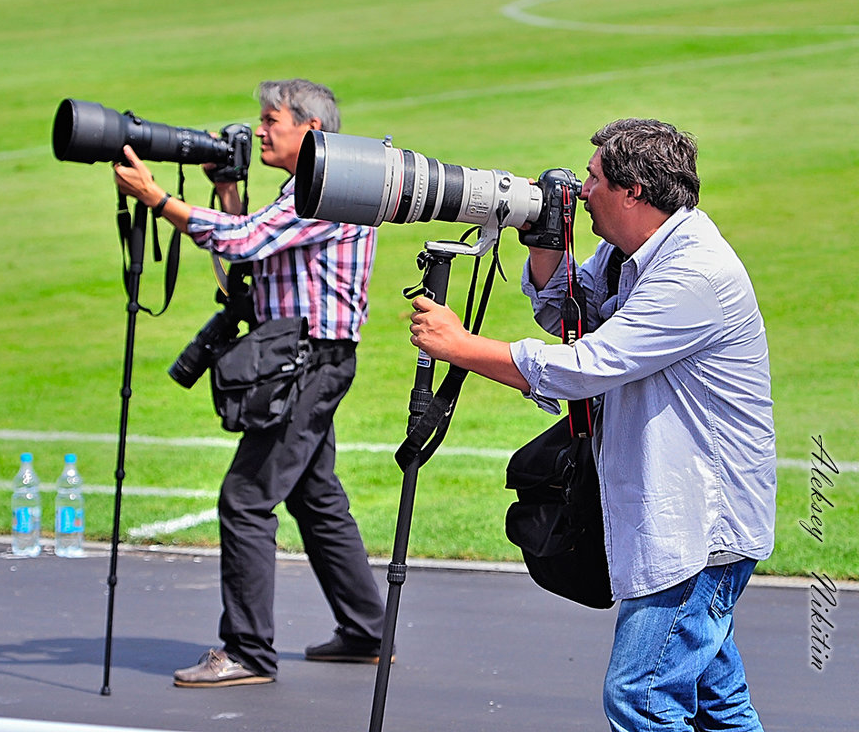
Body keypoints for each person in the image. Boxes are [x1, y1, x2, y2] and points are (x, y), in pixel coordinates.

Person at [409, 119, 776, 731]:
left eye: (594, 178)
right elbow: (576, 323)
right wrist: (546, 247)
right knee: (719, 704)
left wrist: (461, 346)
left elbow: (587, 366)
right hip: (680, 515)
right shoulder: (633, 252)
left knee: (641, 698)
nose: (581, 190)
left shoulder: (695, 274)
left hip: (699, 529)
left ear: (632, 191)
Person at [113, 78, 386, 688]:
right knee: (315, 497)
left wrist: (159, 199)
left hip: (307, 363)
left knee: (245, 497)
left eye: (271, 120)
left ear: (310, 129)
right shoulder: (321, 184)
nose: (260, 130)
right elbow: (258, 250)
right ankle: (368, 631)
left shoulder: (327, 188)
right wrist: (227, 191)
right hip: (314, 359)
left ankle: (247, 653)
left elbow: (244, 241)